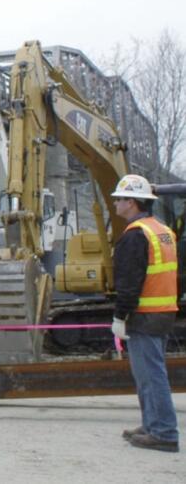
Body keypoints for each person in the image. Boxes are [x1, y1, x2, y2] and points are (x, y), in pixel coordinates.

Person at [109, 175, 179, 453]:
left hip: (145, 314)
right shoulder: (162, 231)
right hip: (163, 311)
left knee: (151, 375)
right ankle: (152, 424)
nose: (116, 204)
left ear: (133, 202)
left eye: (120, 199)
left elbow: (130, 282)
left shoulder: (135, 236)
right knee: (147, 373)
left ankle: (163, 432)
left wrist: (119, 317)